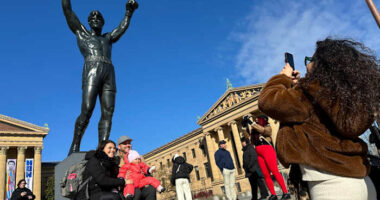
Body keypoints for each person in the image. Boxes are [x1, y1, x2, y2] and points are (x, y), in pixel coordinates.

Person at [258, 38, 379, 200]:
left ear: (322, 65)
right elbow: (312, 116)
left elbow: (268, 101)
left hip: (331, 186)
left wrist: (283, 78)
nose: (306, 62)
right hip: (362, 182)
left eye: (309, 59)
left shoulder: (309, 92)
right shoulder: (341, 94)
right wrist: (298, 85)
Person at [62, 0, 139, 155]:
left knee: (108, 111)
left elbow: (121, 28)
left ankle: (102, 148)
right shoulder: (82, 33)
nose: (95, 20)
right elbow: (68, 11)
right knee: (87, 109)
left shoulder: (108, 38)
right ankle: (75, 145)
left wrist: (129, 13)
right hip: (92, 69)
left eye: (99, 19)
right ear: (89, 22)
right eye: (92, 18)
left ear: (103, 23)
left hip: (109, 71)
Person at [243, 116, 290, 200]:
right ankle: (273, 194)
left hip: (267, 149)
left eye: (258, 119)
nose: (256, 120)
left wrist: (251, 123)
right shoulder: (254, 131)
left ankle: (285, 192)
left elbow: (263, 131)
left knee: (275, 171)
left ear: (263, 119)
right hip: (258, 151)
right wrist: (244, 126)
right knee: (266, 174)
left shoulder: (267, 126)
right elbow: (248, 138)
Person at [116, 135, 157, 200]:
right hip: (126, 187)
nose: (127, 145)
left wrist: (145, 175)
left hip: (141, 184)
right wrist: (124, 179)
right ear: (119, 146)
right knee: (136, 192)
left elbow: (146, 170)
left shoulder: (139, 157)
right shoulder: (116, 160)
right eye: (124, 144)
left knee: (150, 189)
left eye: (129, 143)